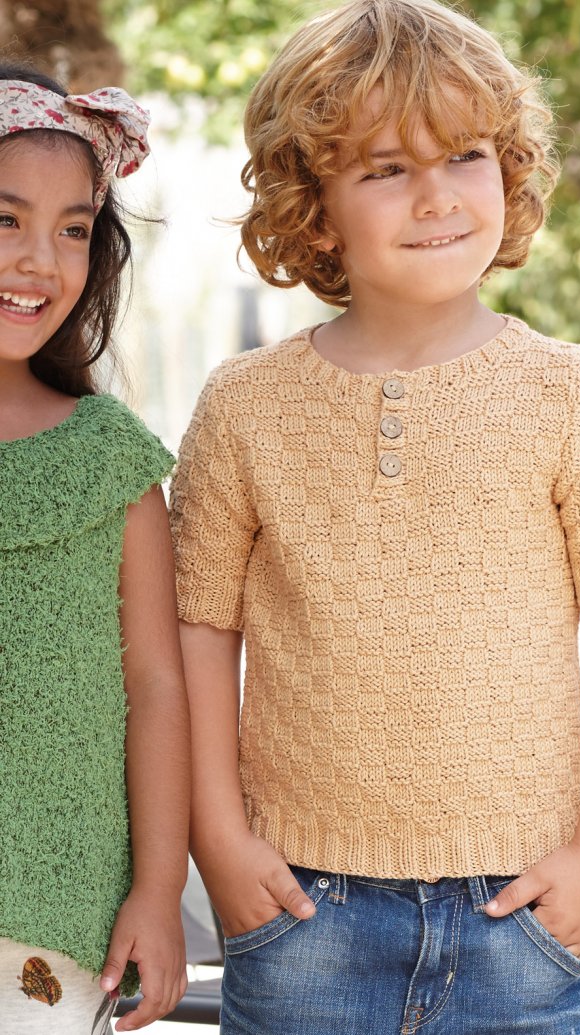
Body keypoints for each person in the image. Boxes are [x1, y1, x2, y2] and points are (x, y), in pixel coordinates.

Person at [170, 1, 580, 1031]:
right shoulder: (243, 407)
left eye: (464, 156)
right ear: (315, 208)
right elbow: (195, 633)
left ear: (510, 173)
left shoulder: (569, 394)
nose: (437, 195)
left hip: (516, 912)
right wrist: (217, 840)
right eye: (386, 168)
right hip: (300, 911)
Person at [0, 65, 190, 1034]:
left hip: (54, 932)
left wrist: (158, 890)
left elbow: (155, 688)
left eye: (73, 229)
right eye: (5, 219)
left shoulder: (109, 460)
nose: (41, 260)